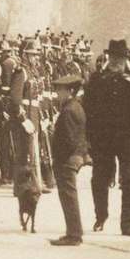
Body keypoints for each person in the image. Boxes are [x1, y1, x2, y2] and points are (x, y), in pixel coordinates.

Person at [83, 40, 130, 236]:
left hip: (128, 138)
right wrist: (87, 138)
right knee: (99, 179)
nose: (116, 61)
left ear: (125, 59)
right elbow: (87, 109)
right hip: (102, 137)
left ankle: (128, 222)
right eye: (113, 57)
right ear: (108, 58)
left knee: (129, 180)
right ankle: (101, 216)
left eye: (120, 58)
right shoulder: (97, 79)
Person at [48, 73, 89, 246]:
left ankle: (73, 234)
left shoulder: (68, 110)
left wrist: (61, 159)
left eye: (61, 90)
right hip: (73, 157)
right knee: (69, 195)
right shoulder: (75, 107)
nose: (58, 93)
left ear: (70, 91)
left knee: (68, 196)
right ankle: (74, 232)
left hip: (67, 159)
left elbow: (70, 140)